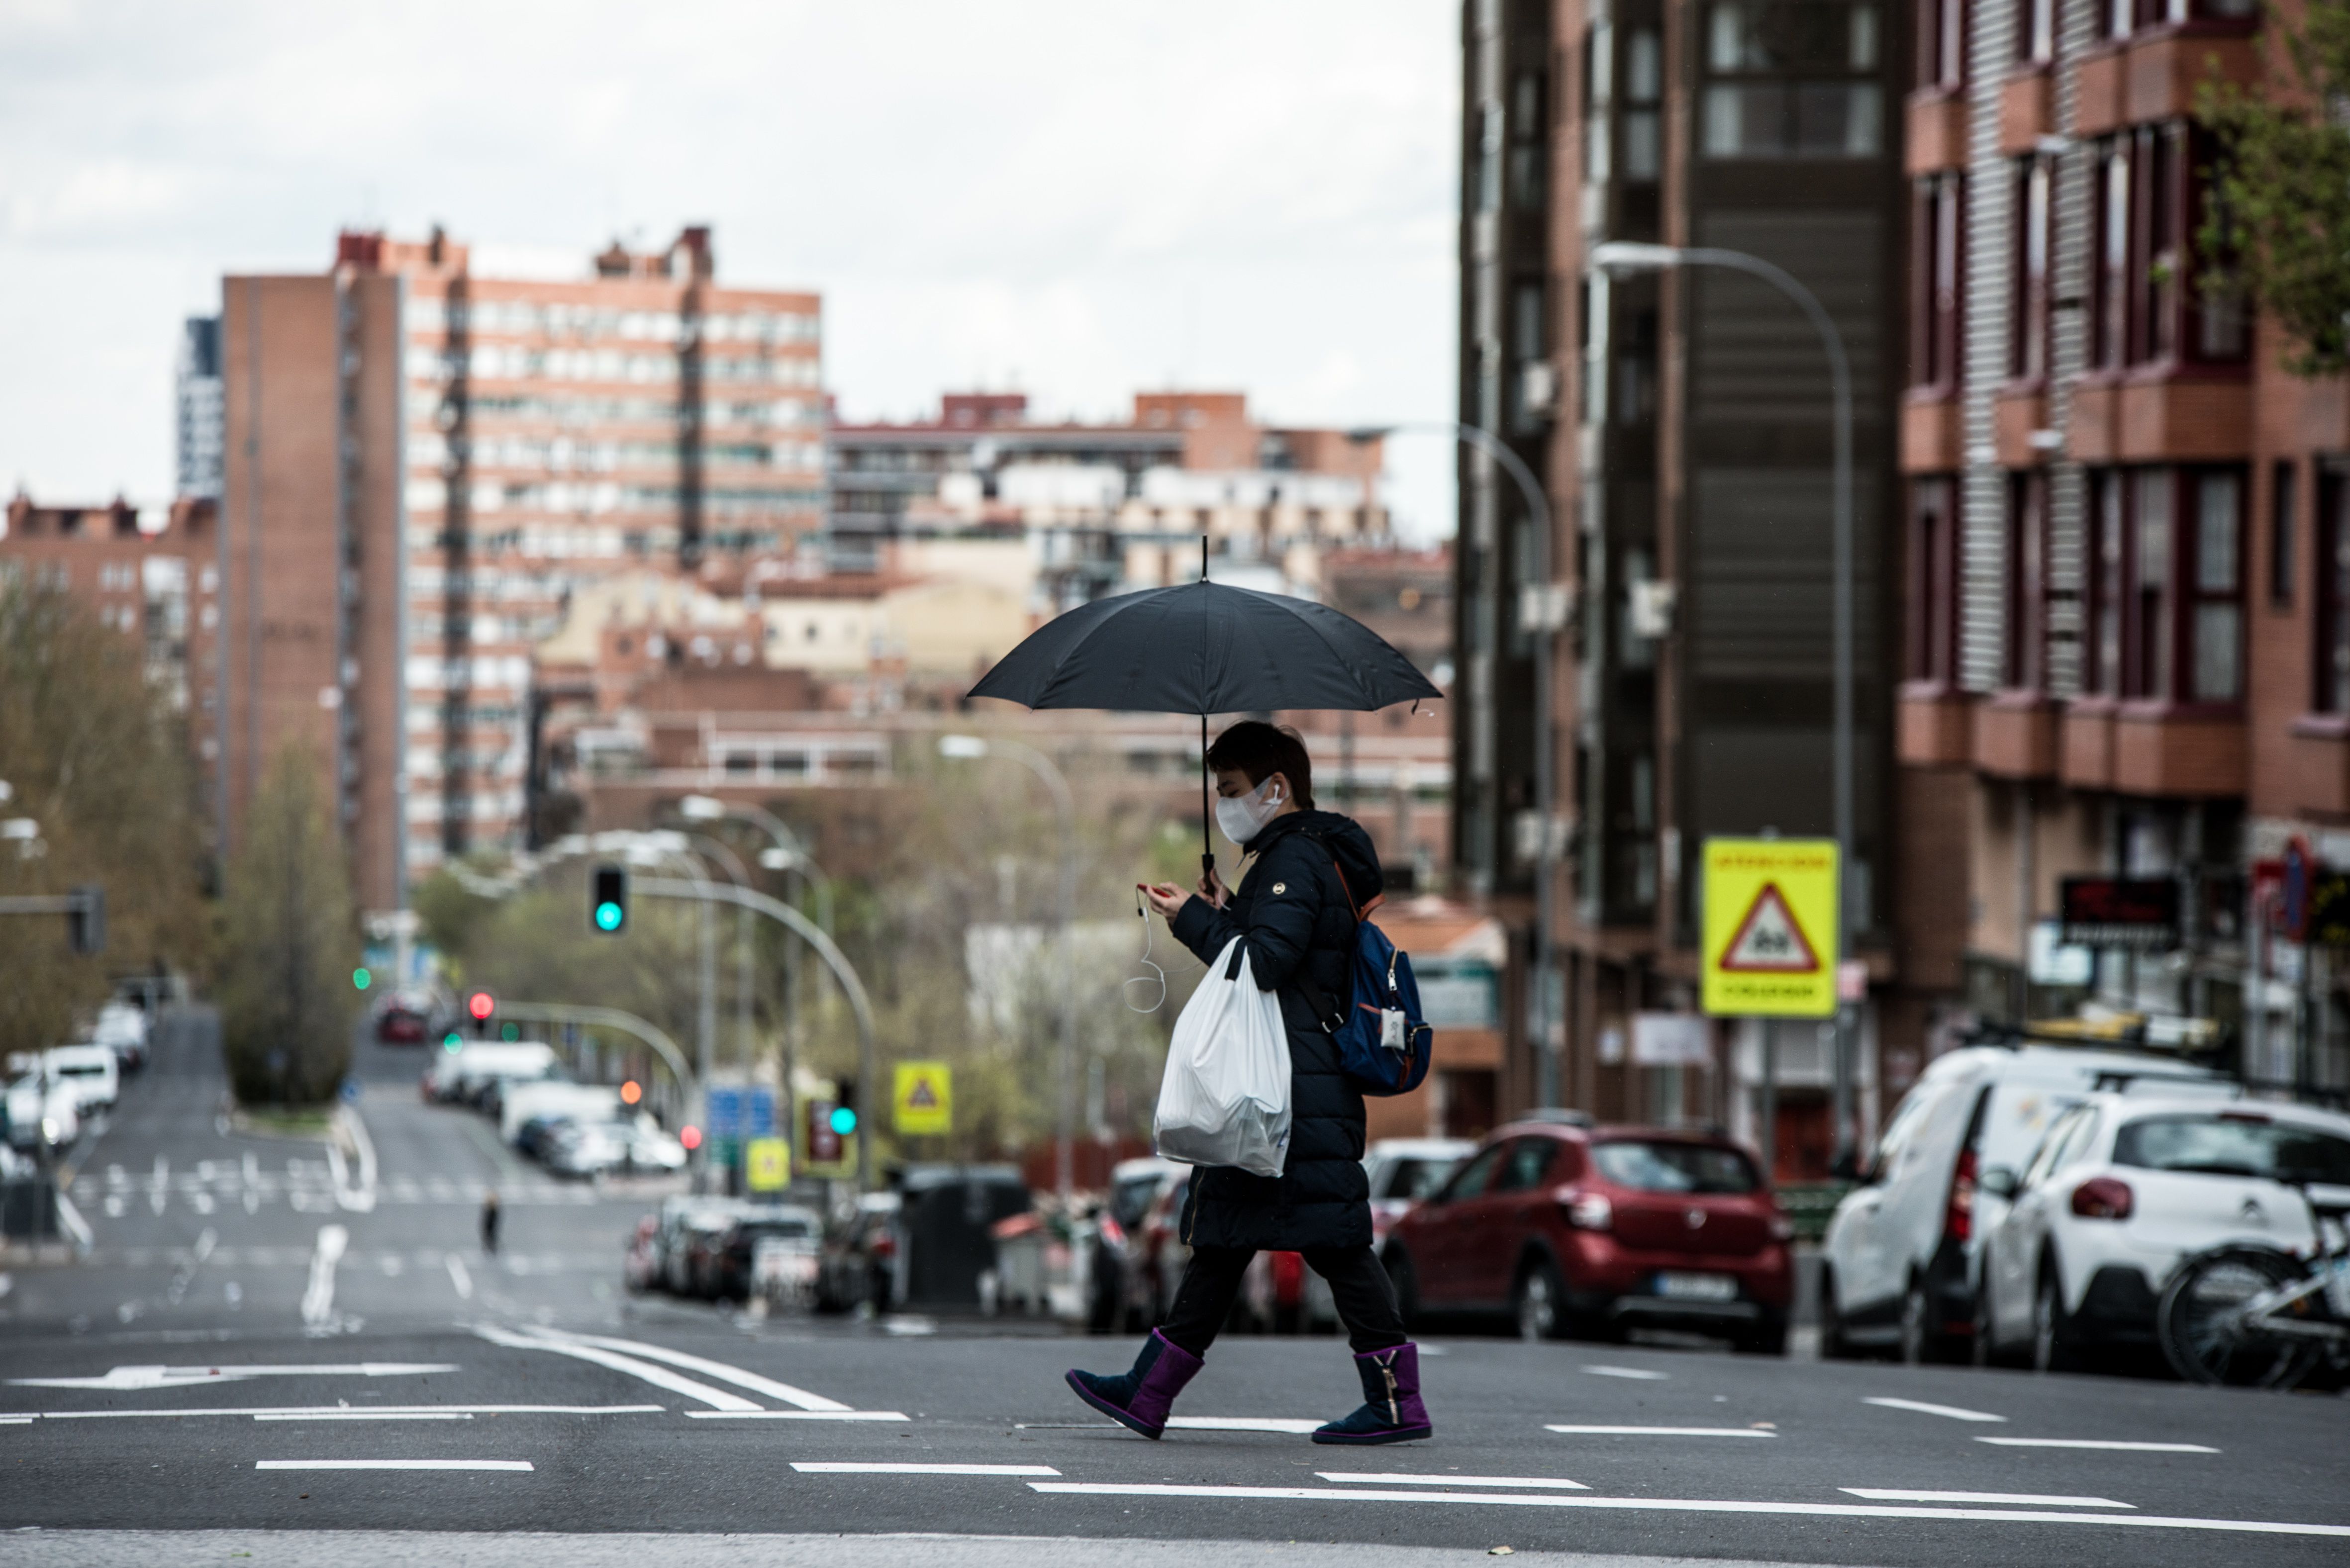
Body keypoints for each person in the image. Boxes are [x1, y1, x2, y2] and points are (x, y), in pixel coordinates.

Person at [1065, 720, 1431, 1446]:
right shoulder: (1290, 860)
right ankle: (1149, 1390)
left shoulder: (1294, 855)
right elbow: (1278, 957)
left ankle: (1395, 1403)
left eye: (1233, 790)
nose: (1226, 804)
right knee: (1229, 1237)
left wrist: (1197, 919)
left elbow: (1263, 966)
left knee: (1334, 1243)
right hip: (1291, 1084)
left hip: (1290, 1091)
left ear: (1277, 788)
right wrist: (1226, 906)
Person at [479, 1189, 500, 1256]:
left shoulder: (492, 1209)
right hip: (490, 1223)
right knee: (489, 1235)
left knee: (490, 1235)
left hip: (490, 1223)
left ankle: (491, 1248)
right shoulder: (492, 1208)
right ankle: (489, 1248)